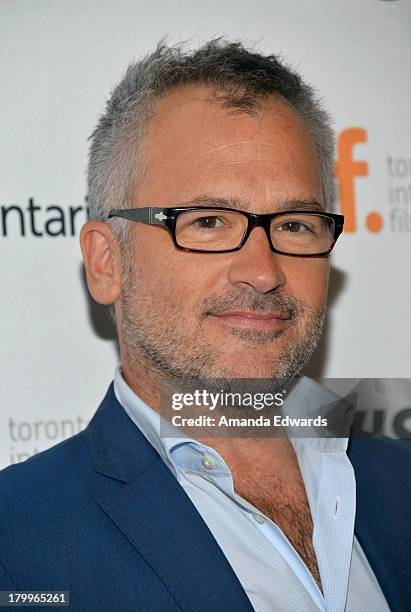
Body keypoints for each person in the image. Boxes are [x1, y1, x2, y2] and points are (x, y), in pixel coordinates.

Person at [0, 38, 409, 612]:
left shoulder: (400, 482)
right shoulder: (16, 542)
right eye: (209, 221)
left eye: (293, 225)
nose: (264, 272)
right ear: (107, 262)